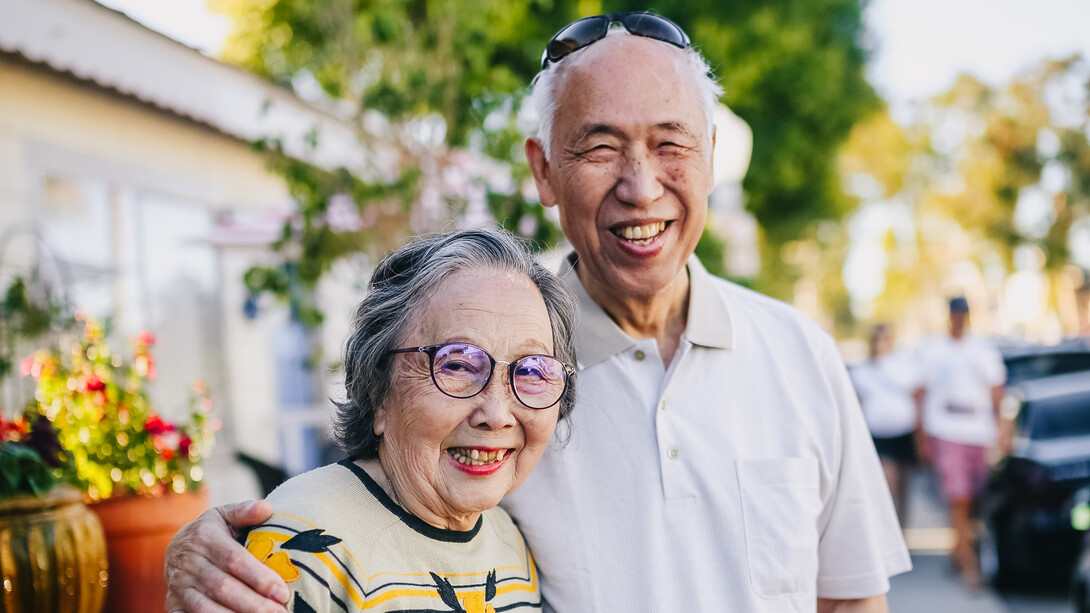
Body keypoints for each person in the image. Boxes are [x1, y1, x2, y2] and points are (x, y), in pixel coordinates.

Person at [165, 12, 910, 612]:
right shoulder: (503, 376)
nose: (641, 187)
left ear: (711, 158)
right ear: (544, 170)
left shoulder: (801, 354)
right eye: (600, 148)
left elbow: (850, 596)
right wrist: (216, 549)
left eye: (670, 144)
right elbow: (375, 504)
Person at [240, 228, 577, 611]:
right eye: (457, 365)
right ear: (378, 390)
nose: (497, 415)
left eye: (532, 371)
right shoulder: (298, 546)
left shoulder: (511, 545)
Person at [915, 297, 1006, 588]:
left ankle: (959, 553)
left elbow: (997, 392)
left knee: (975, 501)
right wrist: (922, 437)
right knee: (959, 499)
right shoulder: (934, 349)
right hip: (946, 429)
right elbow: (921, 393)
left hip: (978, 431)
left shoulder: (982, 349)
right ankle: (970, 568)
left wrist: (1002, 431)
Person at [849, 323, 921, 525]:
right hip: (879, 435)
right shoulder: (862, 370)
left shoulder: (904, 366)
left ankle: (902, 531)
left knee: (903, 488)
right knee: (888, 488)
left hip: (904, 433)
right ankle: (889, 530)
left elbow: (917, 396)